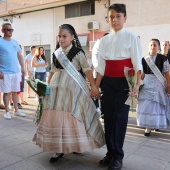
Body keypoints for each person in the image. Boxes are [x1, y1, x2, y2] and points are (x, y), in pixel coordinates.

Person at [33, 24, 105, 163]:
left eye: (64, 36)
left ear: (72, 37)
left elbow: (87, 70)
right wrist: (46, 86)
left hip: (73, 91)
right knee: (57, 119)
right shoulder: (56, 53)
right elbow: (53, 71)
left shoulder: (78, 52)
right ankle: (58, 149)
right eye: (59, 36)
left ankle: (75, 144)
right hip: (56, 93)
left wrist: (94, 87)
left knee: (74, 117)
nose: (61, 39)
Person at [95, 4, 142, 170]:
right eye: (111, 17)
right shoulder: (104, 40)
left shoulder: (132, 37)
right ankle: (110, 152)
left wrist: (136, 85)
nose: (114, 20)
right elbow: (100, 67)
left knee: (120, 119)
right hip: (107, 83)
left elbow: (137, 64)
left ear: (125, 18)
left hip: (124, 84)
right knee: (107, 118)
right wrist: (95, 86)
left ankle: (118, 156)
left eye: (118, 16)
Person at [137, 39, 170, 136]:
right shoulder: (144, 59)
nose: (153, 47)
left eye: (155, 45)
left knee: (156, 105)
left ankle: (156, 124)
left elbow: (167, 73)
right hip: (147, 84)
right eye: (151, 45)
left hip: (158, 84)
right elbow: (142, 74)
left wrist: (168, 85)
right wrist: (137, 84)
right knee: (146, 105)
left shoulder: (163, 58)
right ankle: (148, 127)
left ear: (158, 47)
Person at [0, 23, 26, 119]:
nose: (10, 31)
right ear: (3, 31)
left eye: (11, 30)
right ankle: (7, 112)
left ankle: (16, 110)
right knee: (6, 92)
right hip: (5, 72)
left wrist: (23, 68)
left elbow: (19, 55)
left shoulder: (15, 42)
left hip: (16, 71)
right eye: (8, 29)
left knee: (16, 91)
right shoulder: (0, 42)